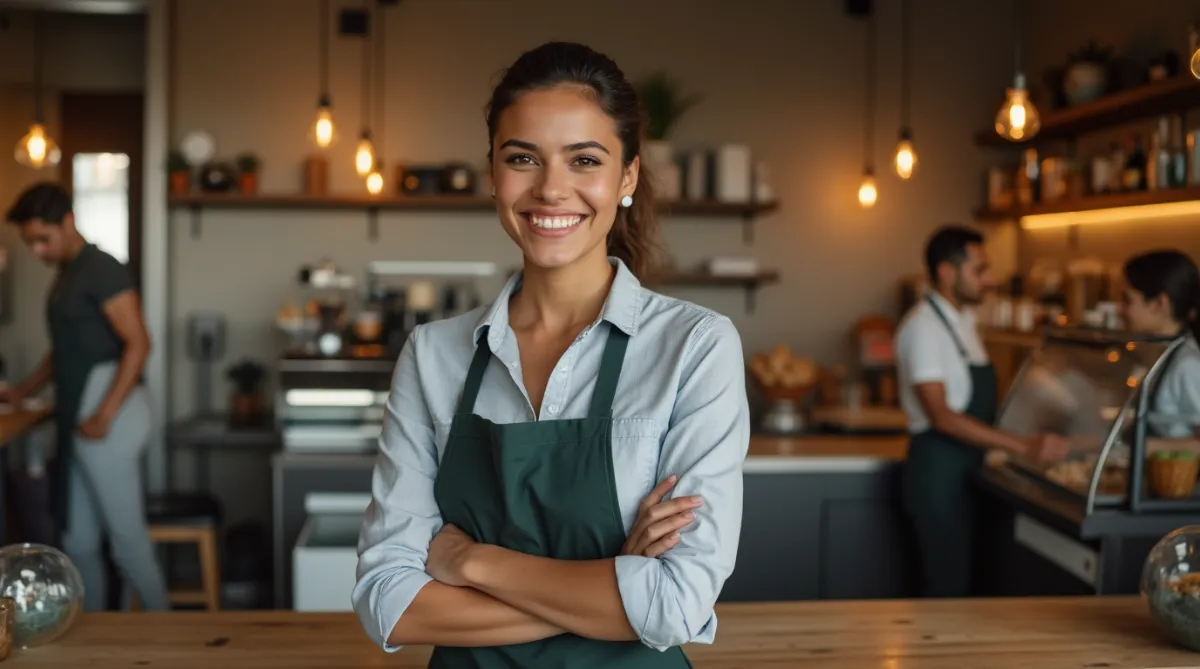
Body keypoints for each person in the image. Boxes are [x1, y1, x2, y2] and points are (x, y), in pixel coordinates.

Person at [353, 41, 749, 667]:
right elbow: (390, 602)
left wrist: (469, 560)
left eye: (584, 160)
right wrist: (611, 586)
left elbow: (675, 604)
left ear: (627, 177)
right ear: (492, 173)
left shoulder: (693, 348)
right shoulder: (433, 355)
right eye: (522, 158)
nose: (551, 189)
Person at [3, 182, 169, 612]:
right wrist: (21, 392)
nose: (37, 250)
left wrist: (105, 415)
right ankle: (93, 642)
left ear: (69, 222)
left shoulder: (101, 268)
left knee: (127, 542)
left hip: (108, 410)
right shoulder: (67, 276)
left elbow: (139, 343)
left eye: (43, 238)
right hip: (82, 414)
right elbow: (64, 350)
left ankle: (172, 641)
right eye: (30, 242)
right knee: (78, 541)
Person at [895, 225, 1068, 598]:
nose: (990, 279)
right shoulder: (923, 328)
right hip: (937, 475)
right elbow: (941, 415)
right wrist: (1021, 446)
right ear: (946, 272)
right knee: (945, 587)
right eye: (980, 270)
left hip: (967, 471)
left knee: (964, 585)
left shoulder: (965, 324)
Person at [1120, 250, 1200, 439]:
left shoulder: (1187, 365)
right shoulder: (1160, 353)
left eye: (1127, 300)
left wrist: (1140, 450)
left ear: (1159, 303)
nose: (1119, 309)